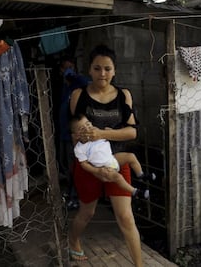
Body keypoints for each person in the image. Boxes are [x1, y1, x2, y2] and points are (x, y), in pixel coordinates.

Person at [68, 44, 144, 266]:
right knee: (87, 213)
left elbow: (132, 132)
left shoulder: (123, 95)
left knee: (126, 217)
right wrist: (94, 165)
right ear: (89, 70)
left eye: (108, 69)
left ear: (115, 70)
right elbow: (74, 137)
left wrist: (100, 133)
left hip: (117, 162)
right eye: (97, 68)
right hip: (88, 166)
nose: (103, 74)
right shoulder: (78, 95)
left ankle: (139, 264)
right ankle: (73, 240)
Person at [71, 114, 156, 199]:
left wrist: (109, 131)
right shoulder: (79, 148)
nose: (87, 128)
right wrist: (97, 171)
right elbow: (84, 164)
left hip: (113, 158)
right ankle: (135, 192)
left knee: (131, 156)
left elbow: (108, 133)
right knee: (118, 177)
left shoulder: (97, 132)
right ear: (76, 136)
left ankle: (141, 175)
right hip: (104, 168)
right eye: (82, 129)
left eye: (88, 124)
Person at [57, 56, 89, 210]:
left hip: (73, 136)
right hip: (63, 134)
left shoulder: (77, 86)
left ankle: (75, 197)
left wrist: (72, 75)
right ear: (61, 71)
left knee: (74, 167)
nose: (69, 71)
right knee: (64, 165)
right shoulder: (65, 88)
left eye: (72, 67)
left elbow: (86, 81)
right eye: (66, 68)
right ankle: (71, 193)